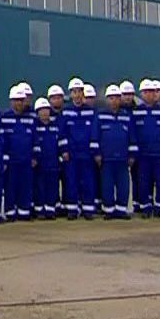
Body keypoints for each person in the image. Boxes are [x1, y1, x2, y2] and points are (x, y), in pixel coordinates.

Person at [131, 80, 160, 217]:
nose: (149, 95)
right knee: (144, 182)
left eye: (151, 92)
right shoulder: (136, 112)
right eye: (146, 92)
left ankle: (159, 207)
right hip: (143, 155)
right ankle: (146, 208)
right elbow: (133, 133)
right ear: (142, 94)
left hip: (159, 154)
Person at [60, 83, 98, 219]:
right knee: (72, 181)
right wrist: (64, 150)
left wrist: (94, 151)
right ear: (71, 94)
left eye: (79, 92)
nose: (77, 95)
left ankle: (88, 209)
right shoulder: (66, 112)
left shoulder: (91, 112)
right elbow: (62, 133)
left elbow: (94, 132)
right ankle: (72, 210)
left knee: (88, 181)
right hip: (71, 154)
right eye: (74, 92)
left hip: (86, 154)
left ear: (83, 93)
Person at [97, 85, 134, 218]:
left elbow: (132, 137)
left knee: (123, 185)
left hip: (122, 159)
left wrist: (132, 155)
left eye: (117, 98)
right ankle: (109, 210)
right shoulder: (100, 116)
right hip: (106, 158)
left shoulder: (126, 116)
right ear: (107, 100)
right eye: (111, 98)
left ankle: (121, 210)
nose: (114, 101)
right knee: (107, 185)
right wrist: (97, 154)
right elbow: (95, 136)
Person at [0, 87, 35, 221]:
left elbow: (35, 139)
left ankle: (24, 211)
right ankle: (10, 211)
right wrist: (5, 158)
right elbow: (2, 140)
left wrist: (34, 156)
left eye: (21, 100)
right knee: (10, 187)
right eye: (16, 100)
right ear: (11, 101)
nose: (19, 103)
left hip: (26, 160)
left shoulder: (30, 118)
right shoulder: (4, 118)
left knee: (25, 186)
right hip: (11, 160)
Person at [32, 98, 63, 219]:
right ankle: (40, 210)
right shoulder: (35, 127)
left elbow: (60, 143)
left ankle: (50, 210)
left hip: (53, 163)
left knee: (52, 186)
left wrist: (60, 157)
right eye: (42, 110)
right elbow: (34, 144)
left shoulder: (55, 127)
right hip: (40, 164)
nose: (45, 113)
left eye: (46, 110)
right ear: (37, 112)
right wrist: (35, 158)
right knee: (39, 187)